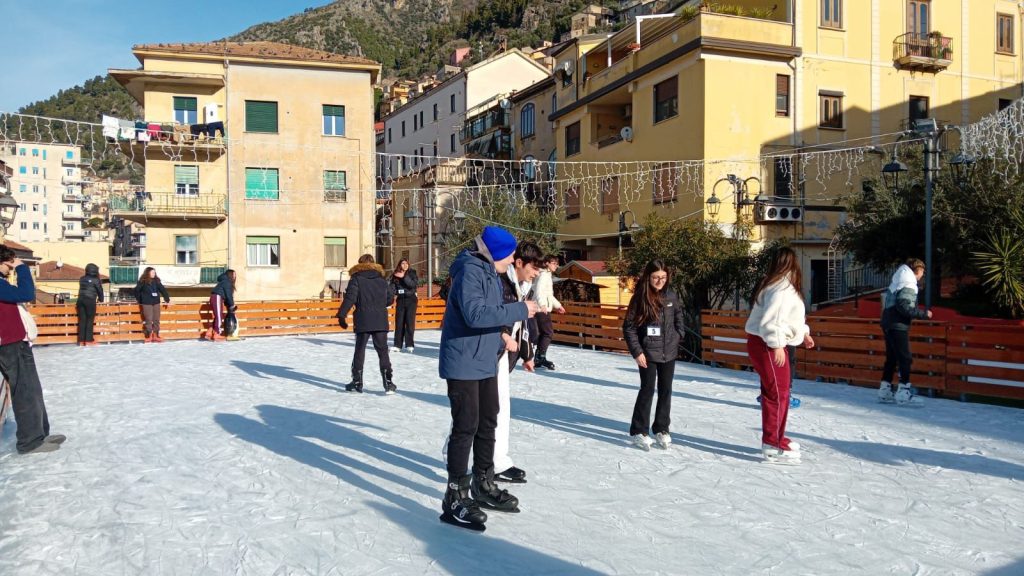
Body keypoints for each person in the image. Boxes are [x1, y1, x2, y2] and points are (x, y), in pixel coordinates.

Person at [438, 226, 538, 531]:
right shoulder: (470, 270)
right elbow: (475, 314)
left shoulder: (490, 273)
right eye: (509, 256)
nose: (511, 262)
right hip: (463, 362)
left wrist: (501, 341)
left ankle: (483, 483)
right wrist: (521, 309)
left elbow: (490, 315)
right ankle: (455, 496)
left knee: (487, 422)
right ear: (495, 253)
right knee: (465, 426)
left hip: (484, 360)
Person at [745, 247, 815, 465]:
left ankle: (775, 438)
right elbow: (772, 321)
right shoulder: (781, 288)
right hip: (769, 344)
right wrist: (776, 345)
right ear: (793, 263)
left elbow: (788, 318)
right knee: (778, 393)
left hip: (766, 342)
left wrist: (803, 333)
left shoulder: (777, 284)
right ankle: (773, 442)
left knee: (777, 392)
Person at [0, 246, 66, 454]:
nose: (11, 267)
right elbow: (26, 293)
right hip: (8, 344)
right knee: (25, 391)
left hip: (16, 342)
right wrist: (22, 269)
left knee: (33, 389)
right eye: (8, 263)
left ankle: (40, 433)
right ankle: (30, 441)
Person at [622, 260, 686, 451]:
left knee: (666, 390)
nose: (659, 281)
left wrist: (678, 335)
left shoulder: (671, 296)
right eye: (656, 277)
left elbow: (679, 317)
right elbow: (629, 328)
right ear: (648, 277)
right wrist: (637, 352)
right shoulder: (640, 298)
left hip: (669, 351)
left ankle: (661, 427)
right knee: (647, 389)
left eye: (663, 277)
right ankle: (639, 431)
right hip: (647, 353)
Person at [493, 242, 543, 484]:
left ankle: (497, 461)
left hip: (504, 355)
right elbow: (493, 314)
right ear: (519, 263)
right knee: (477, 410)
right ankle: (456, 458)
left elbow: (525, 322)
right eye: (534, 268)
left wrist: (528, 352)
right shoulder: (501, 281)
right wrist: (502, 336)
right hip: (490, 353)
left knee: (500, 409)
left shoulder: (524, 285)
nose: (536, 273)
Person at [337, 254, 396, 394]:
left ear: (360, 264)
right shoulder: (382, 280)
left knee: (360, 350)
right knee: (383, 351)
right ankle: (388, 383)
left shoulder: (356, 279)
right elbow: (390, 299)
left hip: (363, 318)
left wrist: (341, 315)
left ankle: (357, 382)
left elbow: (350, 298)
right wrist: (379, 305)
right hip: (380, 319)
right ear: (374, 264)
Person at [878, 258, 932, 405]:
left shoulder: (897, 281)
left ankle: (885, 389)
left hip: (888, 322)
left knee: (892, 357)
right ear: (918, 270)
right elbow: (903, 306)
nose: (923, 274)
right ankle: (903, 391)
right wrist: (923, 314)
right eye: (922, 271)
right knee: (905, 358)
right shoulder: (908, 283)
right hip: (898, 324)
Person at [532, 254, 566, 370]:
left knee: (544, 333)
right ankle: (540, 357)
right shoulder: (543, 275)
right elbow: (539, 292)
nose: (556, 266)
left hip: (543, 307)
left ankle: (539, 358)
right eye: (554, 263)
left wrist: (558, 305)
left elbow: (549, 295)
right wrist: (542, 305)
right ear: (546, 263)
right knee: (548, 333)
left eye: (557, 263)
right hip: (541, 308)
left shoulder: (547, 275)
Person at [134, 267, 170, 343]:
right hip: (147, 303)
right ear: (148, 273)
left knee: (156, 319)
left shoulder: (157, 281)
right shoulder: (142, 281)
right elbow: (136, 291)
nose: (154, 273)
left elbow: (163, 290)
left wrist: (167, 300)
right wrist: (140, 299)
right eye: (152, 272)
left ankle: (156, 335)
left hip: (156, 303)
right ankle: (149, 336)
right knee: (148, 320)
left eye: (154, 272)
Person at [390, 258, 418, 353]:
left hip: (411, 300)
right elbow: (392, 287)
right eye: (403, 263)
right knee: (399, 323)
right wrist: (392, 294)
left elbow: (412, 285)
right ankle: (397, 345)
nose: (405, 265)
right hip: (400, 300)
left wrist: (403, 276)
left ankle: (409, 344)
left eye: (406, 263)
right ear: (400, 265)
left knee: (410, 323)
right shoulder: (395, 274)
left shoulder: (412, 273)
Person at [76, 263, 104, 346]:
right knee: (89, 320)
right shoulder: (96, 280)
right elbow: (100, 290)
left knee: (82, 320)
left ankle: (81, 340)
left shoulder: (82, 279)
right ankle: (88, 340)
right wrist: (101, 299)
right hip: (90, 301)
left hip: (80, 300)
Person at [207, 269, 236, 341]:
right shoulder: (227, 282)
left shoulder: (225, 281)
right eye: (234, 274)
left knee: (218, 316)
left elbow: (226, 296)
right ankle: (217, 333)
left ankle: (210, 332)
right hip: (217, 297)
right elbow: (228, 295)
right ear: (230, 275)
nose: (235, 276)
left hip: (216, 297)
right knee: (219, 316)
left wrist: (229, 305)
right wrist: (232, 305)